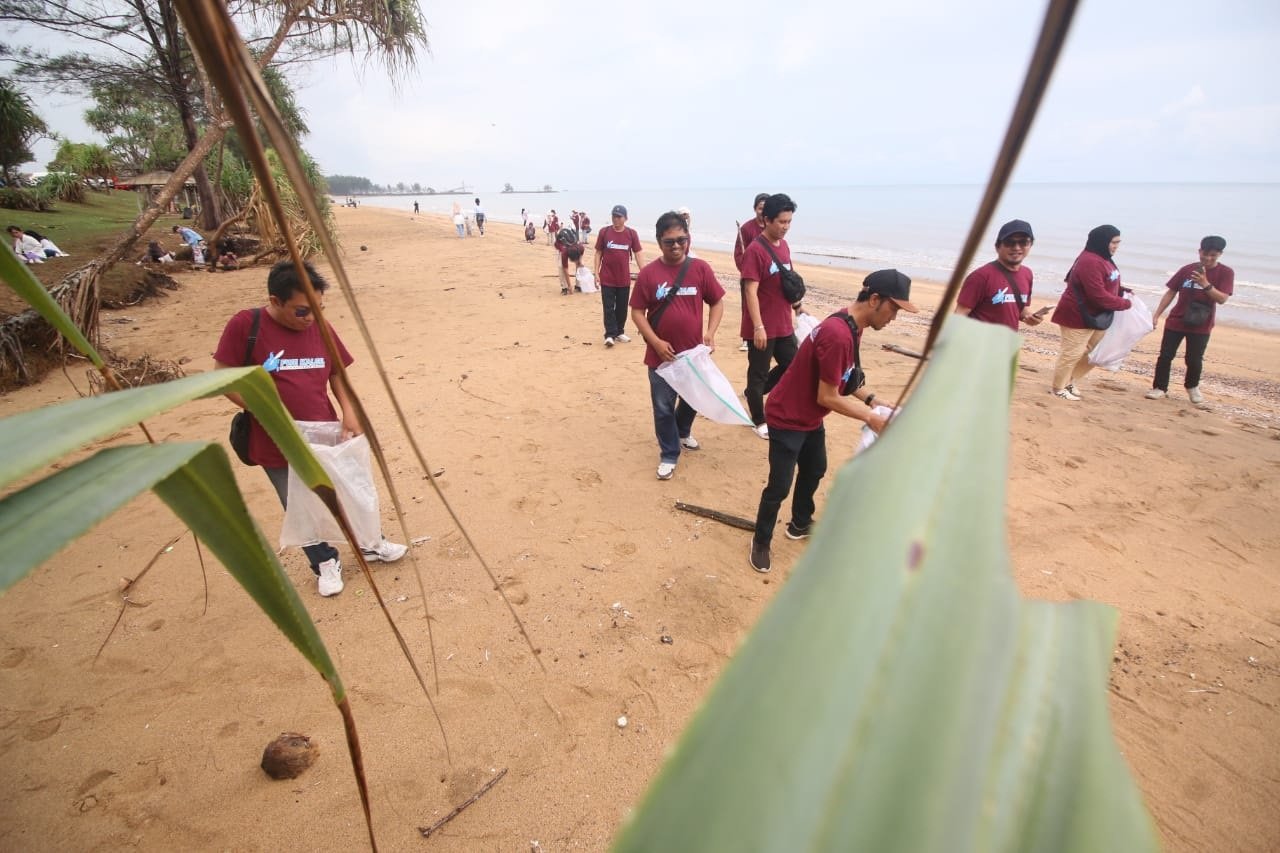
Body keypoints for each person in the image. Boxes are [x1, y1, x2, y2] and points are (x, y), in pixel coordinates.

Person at [213, 260, 408, 597]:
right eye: (302, 311)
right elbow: (222, 375)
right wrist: (261, 409)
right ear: (275, 301)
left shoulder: (320, 327)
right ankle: (324, 563)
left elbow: (337, 373)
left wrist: (349, 412)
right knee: (300, 504)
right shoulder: (247, 324)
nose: (312, 318)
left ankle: (369, 544)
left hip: (324, 431)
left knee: (346, 491)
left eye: (318, 308)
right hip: (275, 439)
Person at [749, 270, 918, 573]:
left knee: (815, 468)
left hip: (810, 416)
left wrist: (873, 401)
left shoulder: (853, 325)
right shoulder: (838, 334)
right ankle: (761, 540)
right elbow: (827, 396)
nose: (894, 317)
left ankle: (799, 523)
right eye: (894, 308)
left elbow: (846, 378)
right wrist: (871, 418)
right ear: (875, 299)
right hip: (788, 416)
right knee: (780, 485)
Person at [629, 211, 725, 480]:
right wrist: (656, 342)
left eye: (681, 240)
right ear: (659, 242)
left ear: (688, 239)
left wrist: (710, 333)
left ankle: (682, 431)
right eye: (669, 241)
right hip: (660, 357)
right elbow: (636, 312)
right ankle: (669, 453)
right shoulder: (649, 274)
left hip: (693, 355)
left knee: (693, 399)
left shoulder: (700, 269)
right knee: (662, 407)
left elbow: (716, 301)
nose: (676, 246)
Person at [1146, 236, 1234, 405]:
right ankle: (1159, 388)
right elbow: (1171, 292)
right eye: (1205, 254)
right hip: (1176, 320)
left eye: (1213, 255)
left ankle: (1192, 387)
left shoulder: (1226, 273)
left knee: (1194, 359)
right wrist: (1156, 314)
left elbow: (1222, 299)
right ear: (1199, 251)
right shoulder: (1187, 269)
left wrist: (1205, 284)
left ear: (1220, 254)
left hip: (1202, 323)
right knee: (1165, 355)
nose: (1208, 259)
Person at [1049, 225, 1132, 401]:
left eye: (1118, 242)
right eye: (1113, 242)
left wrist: (1121, 290)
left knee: (1092, 352)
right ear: (1102, 242)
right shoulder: (1091, 260)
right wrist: (1124, 303)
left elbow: (1103, 282)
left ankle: (1069, 381)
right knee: (1072, 353)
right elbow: (1097, 295)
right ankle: (1058, 388)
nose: (1116, 246)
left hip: (1098, 316)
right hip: (1076, 315)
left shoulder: (1105, 258)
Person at [740, 192, 799, 438]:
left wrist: (797, 306)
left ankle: (754, 392)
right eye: (781, 222)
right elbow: (750, 290)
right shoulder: (755, 250)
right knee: (758, 371)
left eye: (789, 222)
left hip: (783, 323)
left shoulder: (784, 246)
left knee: (793, 364)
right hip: (762, 325)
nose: (785, 227)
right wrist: (758, 327)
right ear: (767, 220)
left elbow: (788, 281)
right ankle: (758, 418)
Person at [955, 219, 1042, 331]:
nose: (1017, 247)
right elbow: (960, 314)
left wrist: (1031, 317)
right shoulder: (981, 277)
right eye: (1010, 242)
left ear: (1030, 245)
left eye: (1023, 242)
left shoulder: (1027, 274)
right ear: (997, 246)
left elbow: (1020, 309)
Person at [594, 204, 645, 347]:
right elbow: (598, 253)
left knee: (622, 307)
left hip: (623, 278)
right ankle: (610, 334)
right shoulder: (604, 232)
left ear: (626, 218)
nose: (615, 219)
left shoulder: (631, 234)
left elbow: (638, 253)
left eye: (619, 217)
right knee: (608, 307)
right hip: (607, 277)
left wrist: (644, 272)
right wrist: (596, 273)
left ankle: (619, 331)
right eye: (613, 216)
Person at [735, 192, 771, 352]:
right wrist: (746, 270)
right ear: (755, 209)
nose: (762, 212)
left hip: (769, 278)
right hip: (751, 277)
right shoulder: (746, 229)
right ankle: (746, 338)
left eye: (765, 208)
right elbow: (738, 254)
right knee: (748, 306)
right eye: (760, 208)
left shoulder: (773, 227)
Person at [556, 229, 587, 295]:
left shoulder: (580, 247)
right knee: (561, 266)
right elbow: (565, 270)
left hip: (572, 241)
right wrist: (569, 286)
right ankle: (564, 288)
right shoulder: (564, 252)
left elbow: (581, 255)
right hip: (559, 243)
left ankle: (578, 285)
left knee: (581, 265)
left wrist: (580, 261)